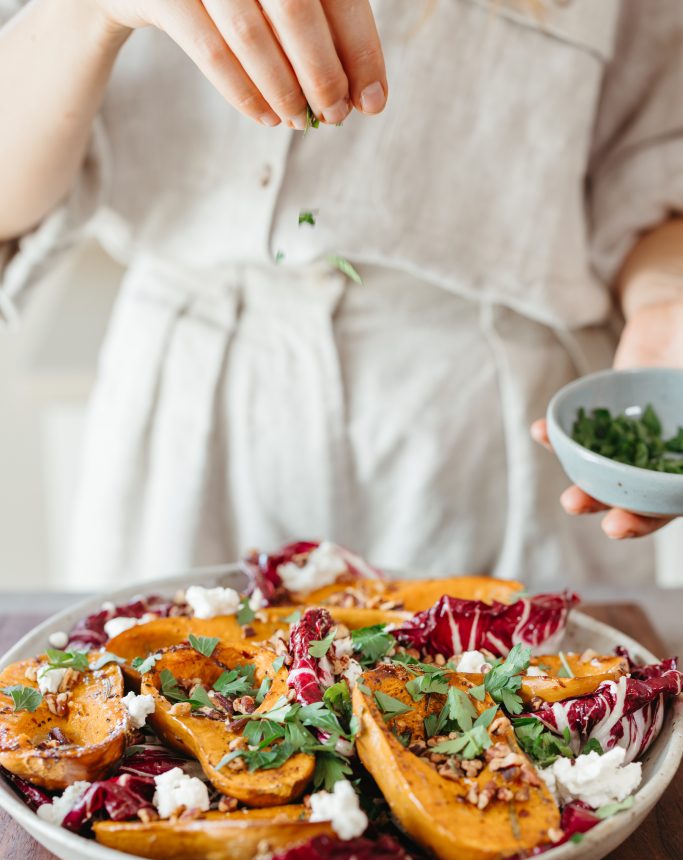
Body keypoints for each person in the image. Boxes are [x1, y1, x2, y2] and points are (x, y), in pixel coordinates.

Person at [1, 0, 682, 587]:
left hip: (490, 428)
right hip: (190, 409)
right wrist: (88, 11)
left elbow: (652, 173)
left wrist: (665, 305)